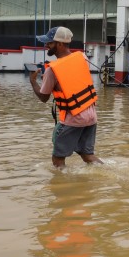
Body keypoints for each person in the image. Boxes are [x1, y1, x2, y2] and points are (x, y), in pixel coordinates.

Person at [29, 26, 101, 168]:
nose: (46, 45)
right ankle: (105, 170)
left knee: (58, 159)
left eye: (50, 42)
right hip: (91, 115)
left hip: (74, 118)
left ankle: (62, 181)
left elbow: (43, 98)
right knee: (88, 155)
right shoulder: (82, 57)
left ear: (60, 44)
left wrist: (33, 81)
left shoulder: (52, 70)